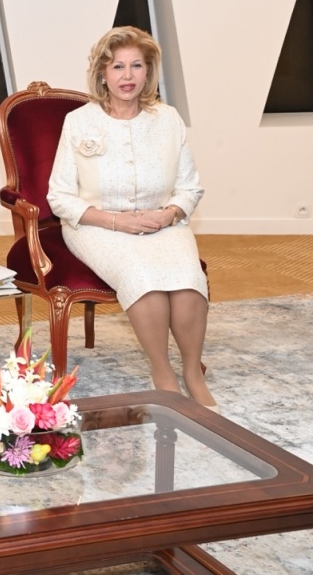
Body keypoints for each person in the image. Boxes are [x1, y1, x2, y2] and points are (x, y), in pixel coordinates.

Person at [47, 26, 217, 410]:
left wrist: (170, 213)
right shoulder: (79, 122)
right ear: (103, 73)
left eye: (136, 66)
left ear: (148, 71)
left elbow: (190, 187)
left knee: (189, 281)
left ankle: (192, 371)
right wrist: (114, 221)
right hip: (95, 225)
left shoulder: (168, 119)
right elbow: (59, 196)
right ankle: (163, 373)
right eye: (118, 66)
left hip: (163, 223)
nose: (127, 76)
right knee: (146, 283)